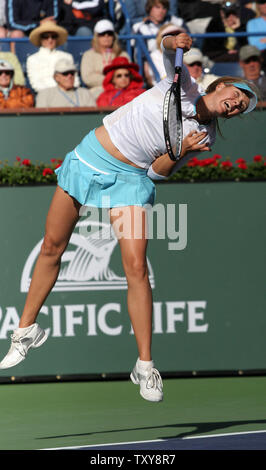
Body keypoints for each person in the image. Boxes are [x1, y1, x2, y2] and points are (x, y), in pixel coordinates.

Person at [0, 33, 258, 404]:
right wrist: (173, 38)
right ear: (219, 85)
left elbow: (157, 172)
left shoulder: (204, 136)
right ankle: (25, 331)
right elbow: (167, 46)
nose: (235, 105)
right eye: (235, 96)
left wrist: (181, 149)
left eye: (240, 108)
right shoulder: (182, 84)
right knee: (52, 247)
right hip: (89, 160)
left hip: (132, 180)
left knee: (135, 267)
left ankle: (145, 365)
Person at [80, 19, 130, 100]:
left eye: (109, 34)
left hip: (122, 92)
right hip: (97, 92)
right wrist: (114, 78)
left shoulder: (123, 54)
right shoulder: (88, 55)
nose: (106, 36)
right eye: (102, 34)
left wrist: (100, 75)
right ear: (96, 37)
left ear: (113, 36)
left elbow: (129, 75)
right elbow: (87, 78)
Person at [26, 21, 79, 93]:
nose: (50, 40)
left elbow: (75, 80)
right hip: (45, 96)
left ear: (56, 39)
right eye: (46, 37)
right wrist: (53, 94)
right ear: (40, 39)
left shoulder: (67, 56)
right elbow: (36, 84)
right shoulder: (32, 59)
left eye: (53, 36)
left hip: (68, 94)